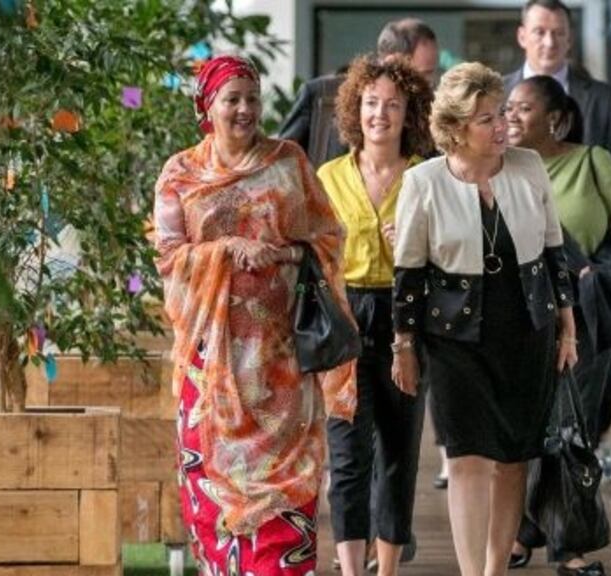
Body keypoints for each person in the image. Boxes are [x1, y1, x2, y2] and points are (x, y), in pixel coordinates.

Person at [152, 55, 356, 576]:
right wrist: (226, 250)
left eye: (252, 98)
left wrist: (283, 254)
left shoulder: (288, 162)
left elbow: (328, 239)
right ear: (208, 106)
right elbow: (170, 257)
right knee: (219, 513)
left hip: (281, 366)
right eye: (232, 99)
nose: (245, 109)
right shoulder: (181, 173)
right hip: (212, 372)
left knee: (287, 502)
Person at [391, 61, 578, 576]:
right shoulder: (422, 182)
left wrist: (567, 324)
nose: (501, 127)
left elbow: (553, 251)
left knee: (514, 455)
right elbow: (408, 274)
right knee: (468, 457)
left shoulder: (527, 166)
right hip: (453, 339)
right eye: (485, 119)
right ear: (454, 129)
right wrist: (403, 346)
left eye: (501, 115)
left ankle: (496, 568)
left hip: (526, 331)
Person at [504, 74, 611, 575]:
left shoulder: (591, 161)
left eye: (523, 108)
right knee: (530, 429)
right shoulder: (504, 170)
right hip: (524, 318)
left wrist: (602, 281)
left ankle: (567, 549)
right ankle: (525, 531)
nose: (511, 116)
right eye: (508, 108)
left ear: (555, 118)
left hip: (585, 315)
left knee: (571, 428)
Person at [317, 54, 434, 576]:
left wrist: (414, 246)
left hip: (406, 317)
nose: (379, 114)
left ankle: (385, 569)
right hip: (345, 318)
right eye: (370, 103)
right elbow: (310, 253)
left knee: (398, 452)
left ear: (409, 113)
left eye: (392, 104)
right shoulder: (327, 176)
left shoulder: (426, 178)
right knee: (346, 453)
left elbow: (448, 255)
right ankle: (348, 568)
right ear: (354, 109)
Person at [502, 0, 611, 189]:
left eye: (558, 33)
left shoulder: (603, 99)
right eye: (540, 32)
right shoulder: (497, 95)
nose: (549, 42)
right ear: (522, 36)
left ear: (570, 39)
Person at [279, 18, 439, 167]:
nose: (429, 83)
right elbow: (283, 160)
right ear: (393, 61)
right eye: (423, 74)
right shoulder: (321, 95)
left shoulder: (423, 108)